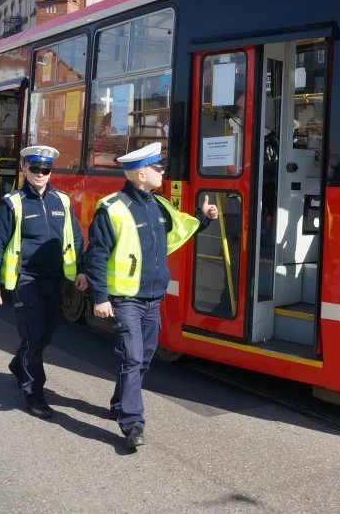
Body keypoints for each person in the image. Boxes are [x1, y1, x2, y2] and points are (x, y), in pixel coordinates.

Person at [85, 142, 218, 449]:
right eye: (158, 168)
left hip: (153, 298)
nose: (162, 173)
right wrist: (100, 297)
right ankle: (132, 423)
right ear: (141, 174)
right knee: (132, 357)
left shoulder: (158, 206)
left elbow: (181, 230)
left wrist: (205, 217)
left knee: (143, 359)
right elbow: (97, 255)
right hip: (126, 299)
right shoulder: (112, 208)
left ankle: (119, 402)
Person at [0, 145, 89, 418]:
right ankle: (34, 394)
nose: (41, 174)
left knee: (47, 334)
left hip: (54, 279)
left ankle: (19, 364)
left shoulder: (62, 201)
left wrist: (81, 270)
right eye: (35, 168)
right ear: (24, 168)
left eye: (46, 169)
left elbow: (75, 238)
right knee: (33, 335)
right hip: (25, 279)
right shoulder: (13, 203)